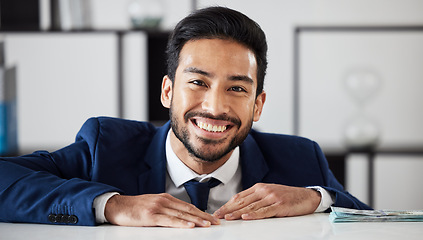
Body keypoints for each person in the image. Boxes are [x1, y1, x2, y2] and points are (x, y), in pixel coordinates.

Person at [0, 6, 370, 228]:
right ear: (167, 91)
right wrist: (114, 205)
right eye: (198, 82)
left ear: (258, 105)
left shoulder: (301, 157)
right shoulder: (105, 146)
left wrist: (317, 198)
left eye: (237, 88)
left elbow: (375, 221)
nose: (215, 107)